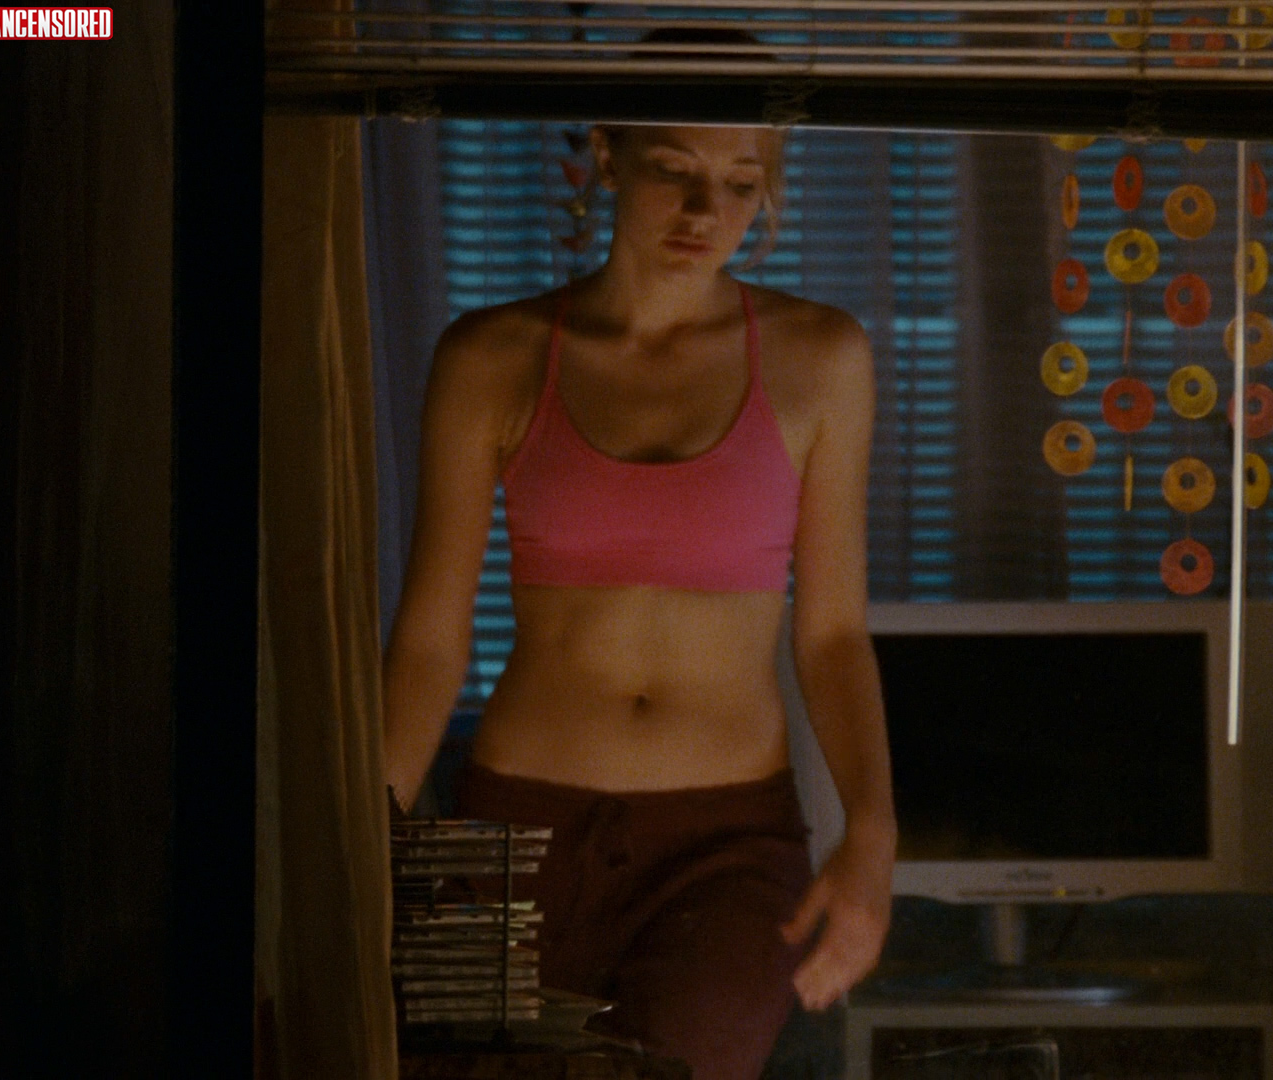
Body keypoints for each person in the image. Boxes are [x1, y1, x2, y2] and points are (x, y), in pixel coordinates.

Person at [382, 119, 895, 1079]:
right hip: (512, 836)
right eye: (675, 171)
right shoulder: (492, 354)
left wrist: (872, 836)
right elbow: (428, 645)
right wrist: (368, 840)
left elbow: (831, 635)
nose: (707, 211)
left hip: (725, 851)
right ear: (608, 156)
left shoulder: (821, 356)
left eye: (741, 182)